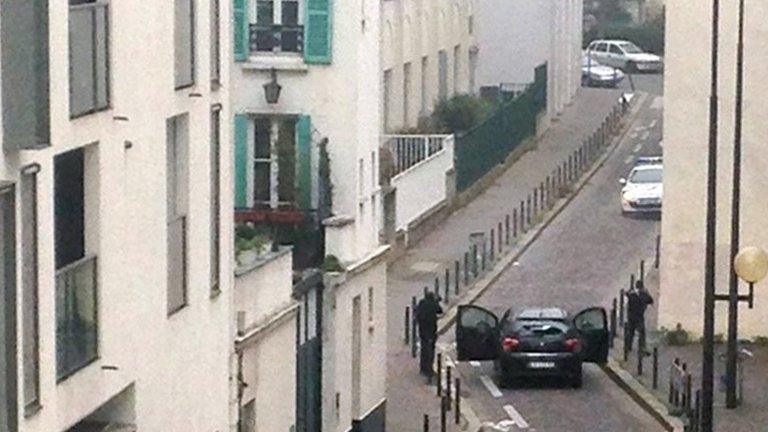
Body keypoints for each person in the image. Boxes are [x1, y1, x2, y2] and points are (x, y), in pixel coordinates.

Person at [415, 291, 443, 379]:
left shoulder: (422, 303)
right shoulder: (433, 305)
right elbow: (440, 310)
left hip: (422, 330)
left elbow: (416, 311)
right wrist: (437, 301)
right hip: (431, 331)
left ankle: (423, 368)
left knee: (424, 349)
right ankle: (429, 370)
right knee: (430, 351)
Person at [625, 279, 654, 353]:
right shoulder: (644, 295)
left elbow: (626, 293)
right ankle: (641, 348)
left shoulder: (631, 294)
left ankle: (628, 348)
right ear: (642, 287)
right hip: (639, 317)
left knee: (630, 332)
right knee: (641, 332)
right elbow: (651, 300)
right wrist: (646, 292)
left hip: (631, 316)